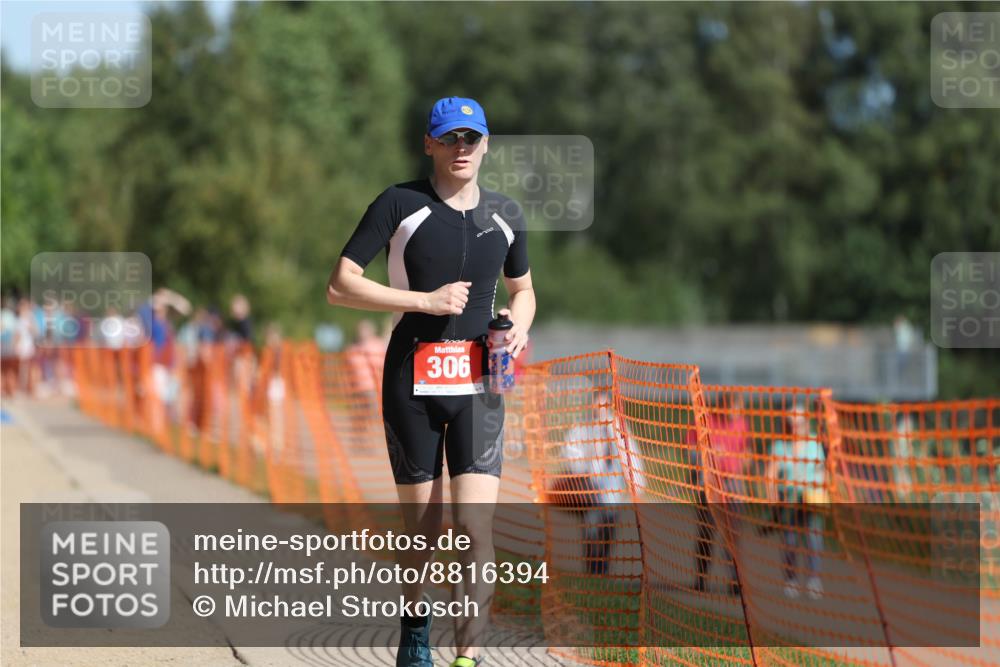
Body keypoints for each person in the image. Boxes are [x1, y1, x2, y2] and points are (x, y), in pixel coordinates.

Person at [326, 97, 535, 667]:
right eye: (450, 138)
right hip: (410, 378)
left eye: (471, 138)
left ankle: (467, 657)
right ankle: (415, 634)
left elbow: (523, 290)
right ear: (430, 145)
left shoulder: (505, 213)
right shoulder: (400, 203)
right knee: (422, 533)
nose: (461, 148)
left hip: (482, 382)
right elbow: (341, 285)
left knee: (474, 528)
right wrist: (423, 300)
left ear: (487, 144)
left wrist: (516, 328)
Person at [557, 389, 644, 575]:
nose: (600, 409)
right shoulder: (583, 427)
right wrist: (580, 471)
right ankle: (591, 567)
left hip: (612, 489)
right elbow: (570, 451)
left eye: (604, 405)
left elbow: (630, 455)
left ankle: (603, 565)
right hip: (589, 487)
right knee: (590, 528)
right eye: (597, 405)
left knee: (608, 529)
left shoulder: (618, 428)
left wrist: (636, 481)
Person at [687, 394, 749, 595]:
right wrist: (703, 462)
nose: (734, 416)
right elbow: (689, 446)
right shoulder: (705, 420)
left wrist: (742, 462)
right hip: (710, 485)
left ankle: (734, 580)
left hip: (733, 485)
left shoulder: (741, 423)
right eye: (731, 411)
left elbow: (745, 450)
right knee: (707, 532)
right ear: (723, 405)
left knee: (733, 536)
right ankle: (701, 578)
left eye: (737, 412)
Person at [766, 408, 827, 600]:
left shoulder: (814, 444)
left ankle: (813, 579)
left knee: (813, 538)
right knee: (789, 540)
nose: (795, 429)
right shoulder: (779, 446)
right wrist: (773, 499)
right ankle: (791, 579)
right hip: (789, 500)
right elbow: (770, 474)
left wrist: (820, 489)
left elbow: (822, 470)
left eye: (798, 425)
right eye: (791, 425)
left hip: (810, 498)